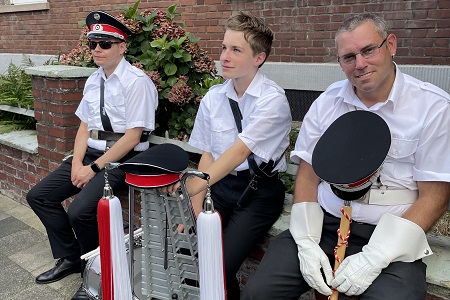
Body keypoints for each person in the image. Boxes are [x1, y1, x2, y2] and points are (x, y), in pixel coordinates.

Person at [241, 13, 450, 300]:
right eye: (348, 57)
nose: (360, 64)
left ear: (390, 45)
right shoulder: (327, 102)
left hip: (390, 234)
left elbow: (434, 195)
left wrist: (376, 256)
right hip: (324, 224)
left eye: (368, 50)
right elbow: (308, 173)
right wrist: (305, 241)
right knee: (259, 294)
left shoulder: (433, 107)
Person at [26, 10, 158, 300]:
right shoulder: (93, 80)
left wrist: (93, 169)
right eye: (93, 43)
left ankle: (97, 273)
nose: (97, 49)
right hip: (92, 157)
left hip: (123, 160)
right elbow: (84, 127)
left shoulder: (137, 82)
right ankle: (72, 258)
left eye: (105, 43)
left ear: (122, 46)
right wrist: (75, 163)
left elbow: (133, 137)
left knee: (80, 212)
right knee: (39, 196)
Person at [162, 12, 291, 299]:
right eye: (223, 48)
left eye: (236, 50)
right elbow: (210, 153)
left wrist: (193, 185)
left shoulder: (273, 99)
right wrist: (194, 203)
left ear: (259, 58)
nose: (225, 57)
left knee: (218, 265)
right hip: (220, 186)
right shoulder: (214, 97)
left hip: (258, 190)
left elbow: (239, 152)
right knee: (190, 249)